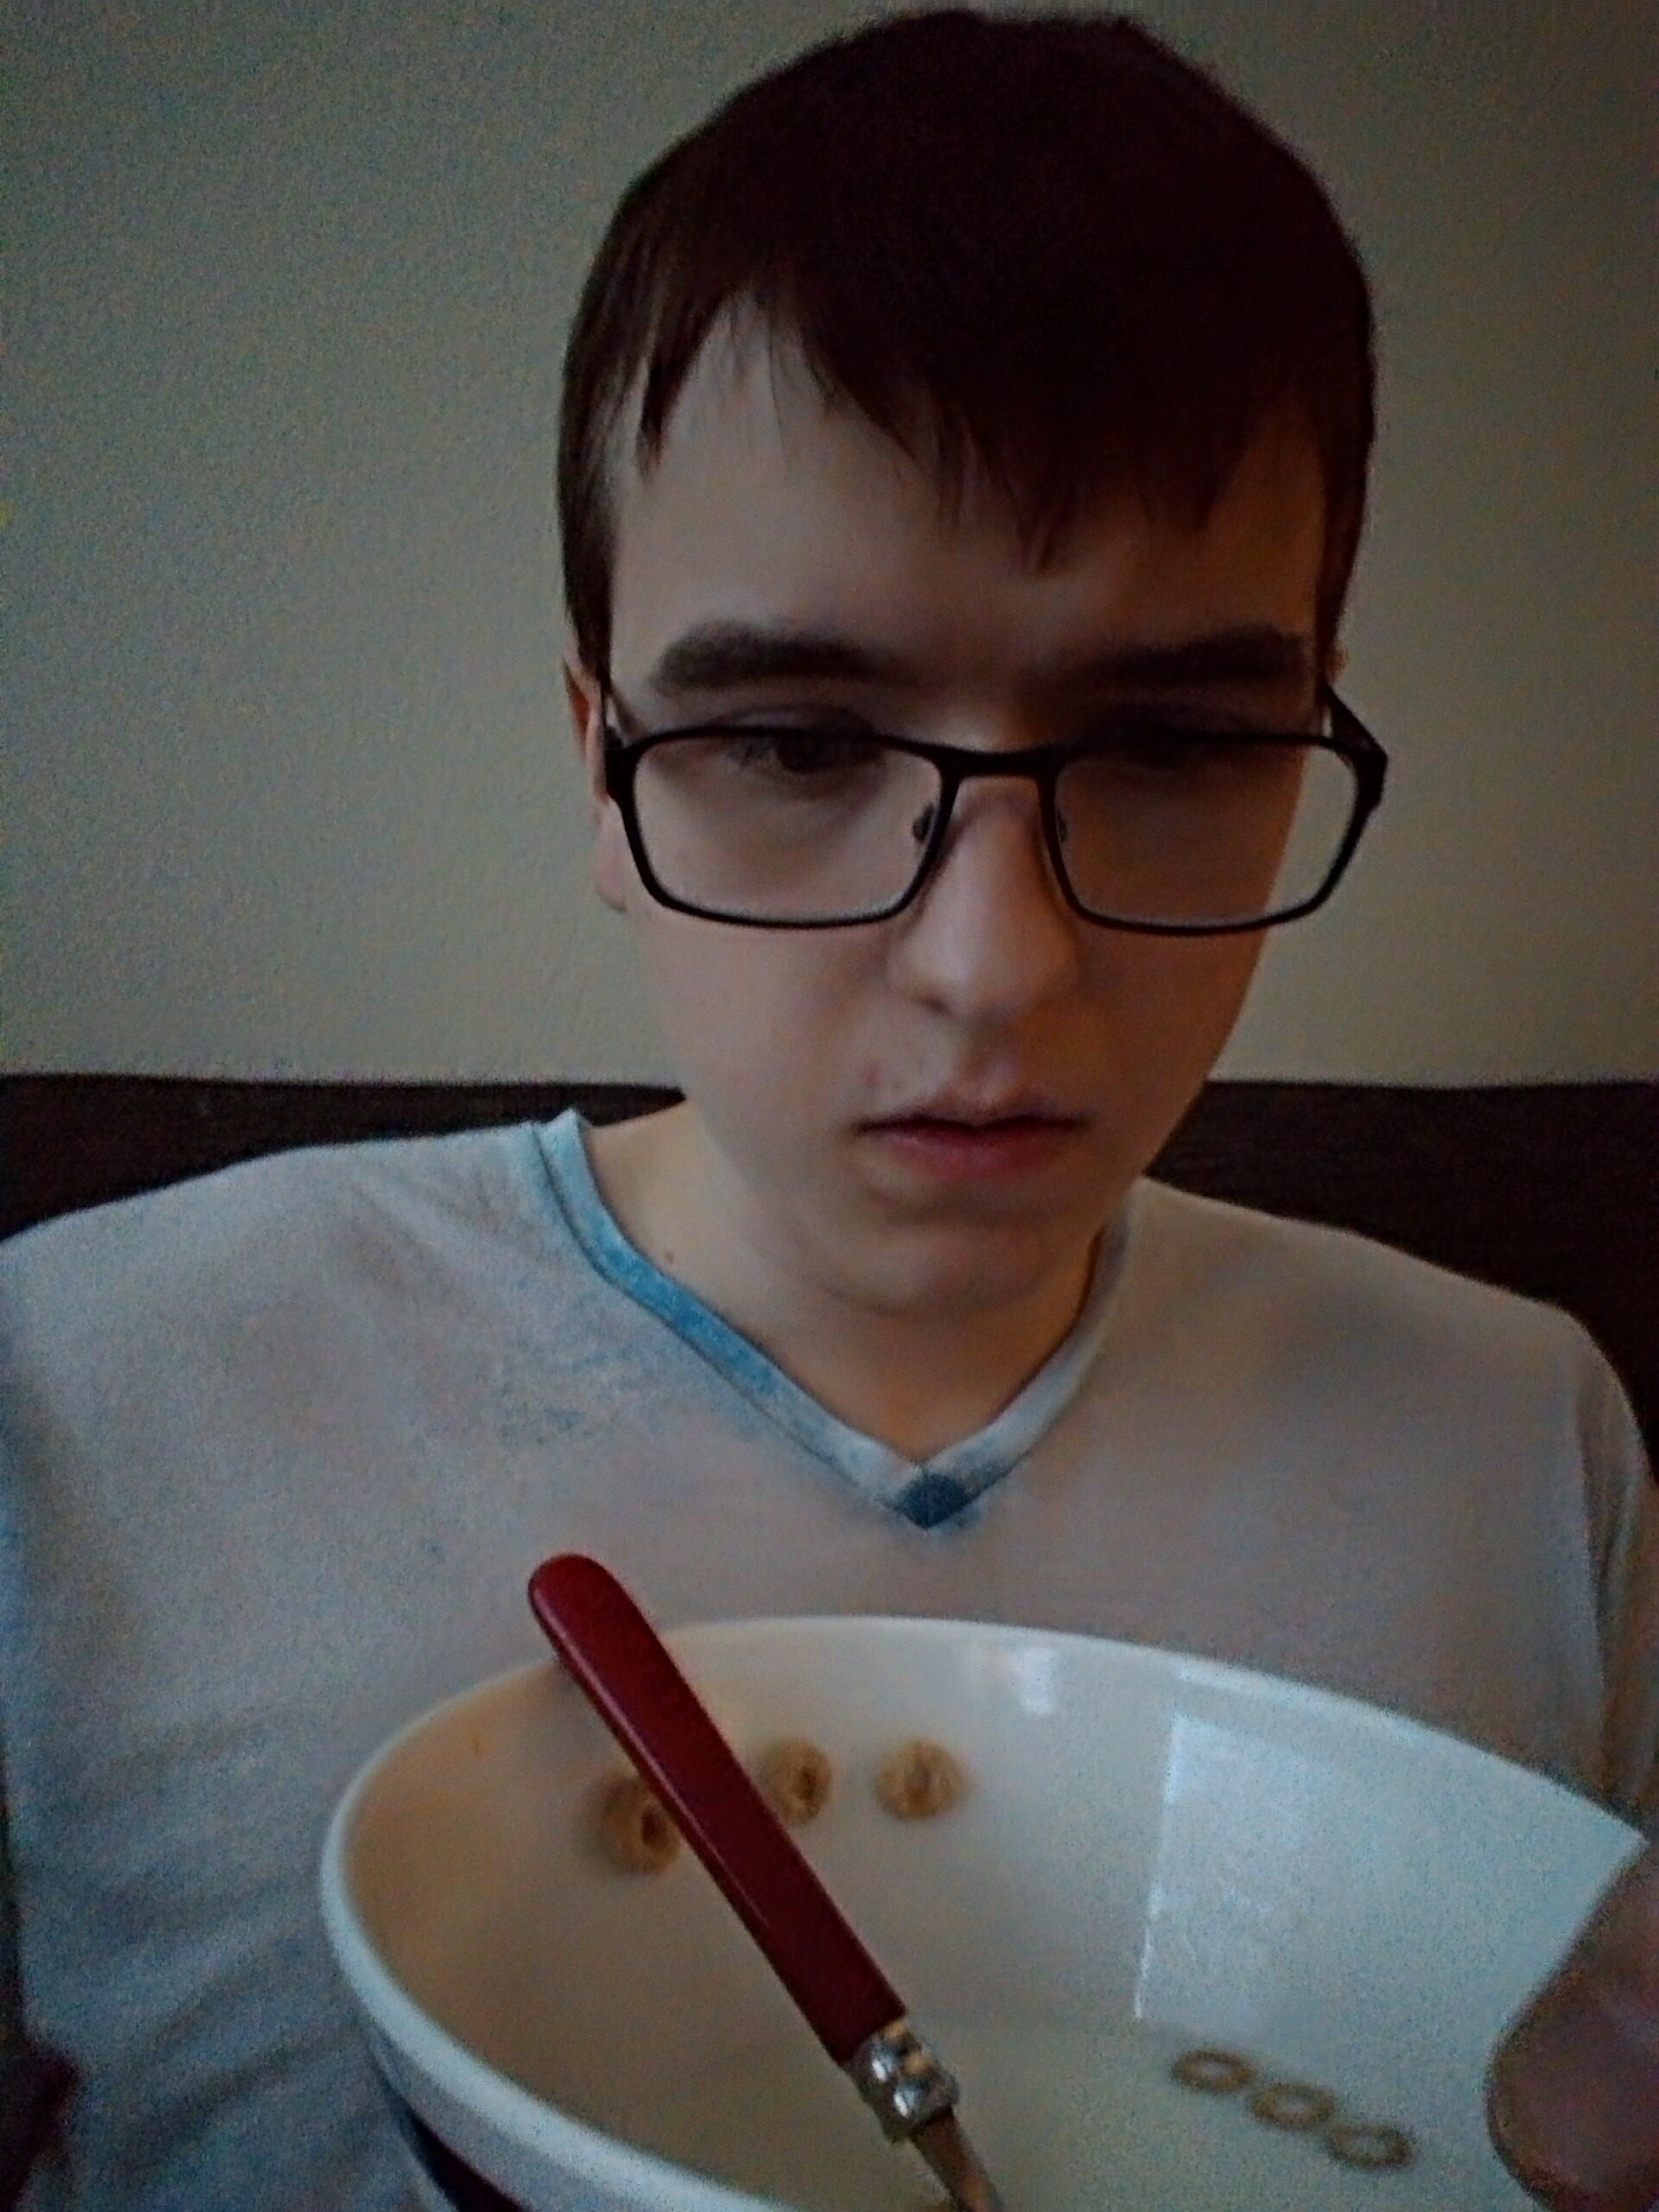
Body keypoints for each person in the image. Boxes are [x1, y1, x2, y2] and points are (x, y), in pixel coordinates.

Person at [2, 10, 1653, 2209]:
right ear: (603, 768)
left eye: (1171, 748)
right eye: (791, 742)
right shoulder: (80, 1400)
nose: (994, 962)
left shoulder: (1528, 1443)